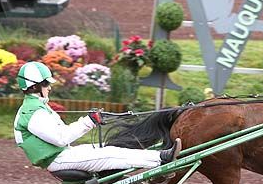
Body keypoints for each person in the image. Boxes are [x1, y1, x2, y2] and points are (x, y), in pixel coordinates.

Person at [13, 61, 181, 173]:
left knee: (107, 150)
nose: (49, 87)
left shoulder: (37, 108)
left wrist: (89, 121)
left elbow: (61, 135)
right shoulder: (33, 113)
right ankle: (162, 158)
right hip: (59, 160)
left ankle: (159, 158)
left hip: (63, 155)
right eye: (46, 84)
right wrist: (88, 122)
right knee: (110, 154)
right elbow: (61, 138)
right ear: (34, 86)